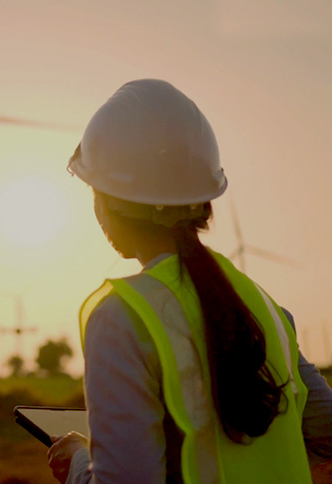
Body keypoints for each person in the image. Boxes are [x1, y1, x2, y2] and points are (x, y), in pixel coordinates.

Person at [47, 79, 332, 483]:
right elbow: (325, 432)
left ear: (108, 202)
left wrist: (79, 460)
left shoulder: (122, 319)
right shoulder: (264, 307)